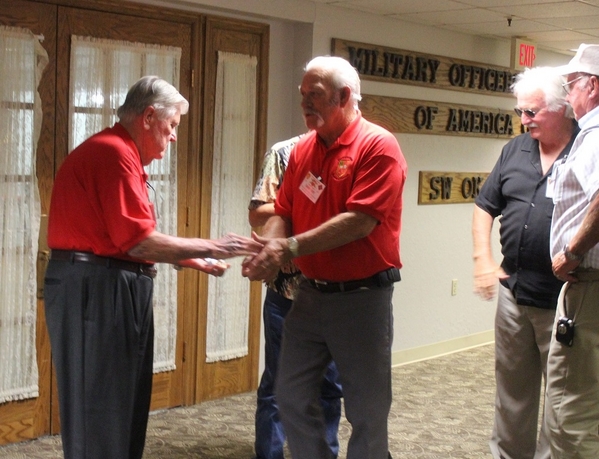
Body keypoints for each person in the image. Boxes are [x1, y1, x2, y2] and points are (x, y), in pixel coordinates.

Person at [44, 75, 262, 459]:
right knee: (102, 406)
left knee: (123, 404)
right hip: (96, 288)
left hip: (110, 283)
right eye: (172, 126)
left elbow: (126, 237)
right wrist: (218, 245)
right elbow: (138, 240)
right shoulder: (113, 153)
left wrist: (188, 257)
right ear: (148, 117)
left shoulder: (121, 153)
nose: (174, 137)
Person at [242, 55, 407, 459]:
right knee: (291, 394)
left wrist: (290, 247)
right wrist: (270, 247)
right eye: (302, 96)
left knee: (367, 410)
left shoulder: (378, 145)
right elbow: (283, 211)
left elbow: (360, 221)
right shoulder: (303, 151)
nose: (305, 105)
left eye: (314, 96)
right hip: (310, 296)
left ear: (345, 96)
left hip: (362, 298)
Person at [472, 66, 578, 459]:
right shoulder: (515, 150)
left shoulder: (587, 149)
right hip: (514, 294)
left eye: (532, 112)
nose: (524, 120)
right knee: (512, 395)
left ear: (562, 108)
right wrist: (483, 260)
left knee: (562, 401)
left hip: (567, 300)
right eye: (520, 111)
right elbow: (484, 207)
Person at [248, 134, 343, 459]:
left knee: (330, 387)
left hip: (335, 293)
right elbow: (258, 214)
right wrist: (300, 207)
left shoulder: (359, 153)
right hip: (287, 293)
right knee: (278, 383)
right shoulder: (284, 153)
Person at [547, 43, 599, 459]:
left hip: (590, 288)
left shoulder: (596, 136)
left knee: (571, 413)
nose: (568, 96)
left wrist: (574, 251)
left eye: (572, 85)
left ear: (593, 86)